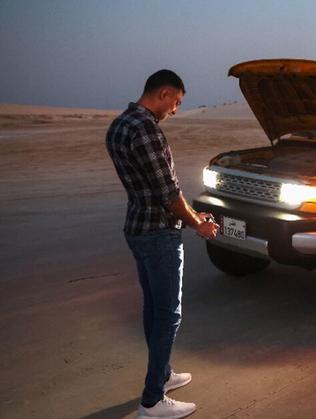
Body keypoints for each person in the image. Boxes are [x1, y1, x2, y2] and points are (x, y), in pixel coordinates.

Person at [106, 70, 219, 419]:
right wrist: (197, 222)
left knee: (153, 308)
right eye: (176, 103)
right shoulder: (146, 129)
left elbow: (152, 189)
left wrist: (188, 212)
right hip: (158, 233)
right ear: (165, 92)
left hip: (137, 226)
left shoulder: (120, 124)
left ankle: (164, 373)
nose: (175, 110)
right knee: (168, 314)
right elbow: (168, 193)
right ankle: (153, 400)